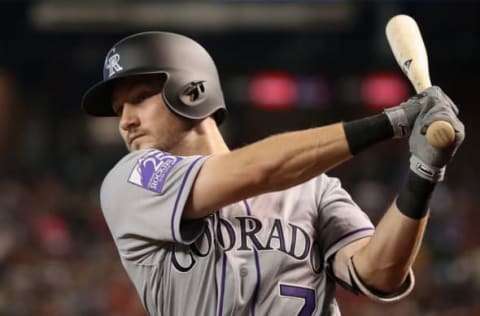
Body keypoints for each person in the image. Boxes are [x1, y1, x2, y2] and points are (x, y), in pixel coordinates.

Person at [81, 31, 464, 316]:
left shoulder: (314, 190)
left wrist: (424, 170)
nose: (126, 122)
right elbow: (260, 171)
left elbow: (379, 273)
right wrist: (393, 121)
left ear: (192, 92)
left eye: (139, 98)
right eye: (119, 110)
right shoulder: (131, 181)